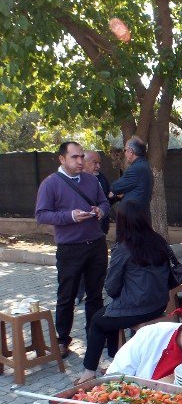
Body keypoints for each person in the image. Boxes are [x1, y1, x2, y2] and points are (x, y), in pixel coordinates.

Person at [76, 201, 171, 383]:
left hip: (137, 308)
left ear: (122, 223)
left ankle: (89, 372)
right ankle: (116, 362)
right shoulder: (158, 241)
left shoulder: (125, 247)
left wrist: (122, 294)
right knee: (111, 315)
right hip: (159, 304)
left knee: (97, 321)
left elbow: (111, 286)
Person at [35, 141, 111, 359]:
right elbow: (41, 215)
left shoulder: (91, 180)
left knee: (95, 295)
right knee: (66, 296)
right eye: (74, 157)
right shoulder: (51, 184)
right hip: (70, 248)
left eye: (81, 157)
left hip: (96, 245)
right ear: (62, 159)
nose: (80, 161)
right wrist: (70, 216)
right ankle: (62, 339)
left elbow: (105, 203)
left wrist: (100, 211)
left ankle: (94, 335)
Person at [76, 150, 117, 305]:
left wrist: (113, 199)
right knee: (81, 263)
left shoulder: (101, 179)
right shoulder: (75, 181)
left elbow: (106, 202)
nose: (98, 166)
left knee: (97, 264)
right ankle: (78, 293)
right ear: (83, 162)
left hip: (100, 229)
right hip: (81, 232)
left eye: (99, 162)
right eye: (94, 162)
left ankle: (95, 292)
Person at [109, 135, 152, 212]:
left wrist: (119, 191)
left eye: (125, 150)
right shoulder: (144, 165)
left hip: (133, 216)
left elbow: (115, 187)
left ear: (131, 151)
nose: (124, 153)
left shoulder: (136, 169)